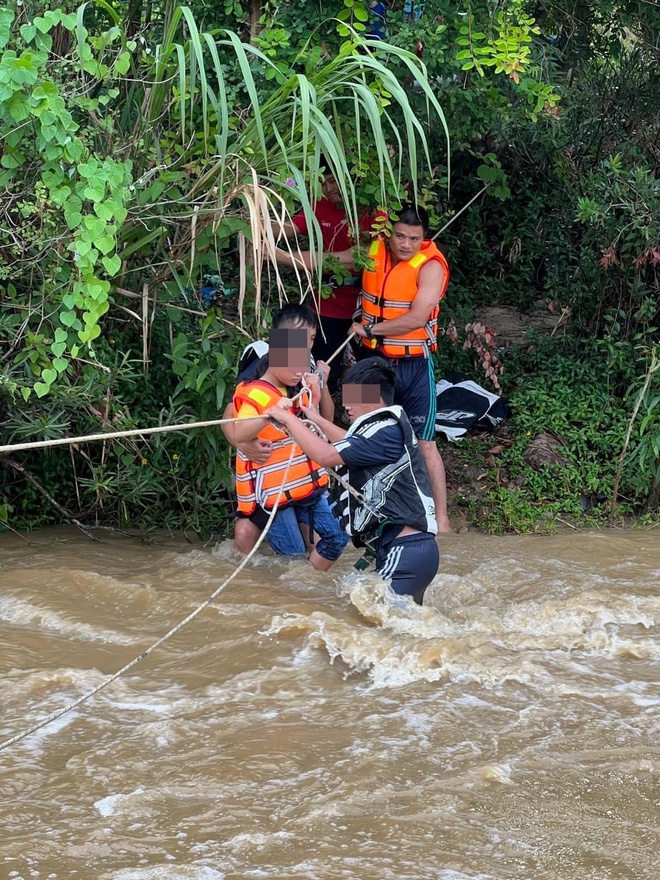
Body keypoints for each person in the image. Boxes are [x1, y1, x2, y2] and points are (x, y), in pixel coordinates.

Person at [284, 203, 453, 532]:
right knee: (357, 431)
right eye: (400, 236)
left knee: (425, 443)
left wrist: (371, 330)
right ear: (389, 234)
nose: (405, 244)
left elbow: (418, 318)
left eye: (414, 238)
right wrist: (273, 255)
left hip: (414, 364)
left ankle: (441, 520)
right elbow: (324, 260)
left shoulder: (431, 266)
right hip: (369, 364)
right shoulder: (372, 251)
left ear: (424, 238)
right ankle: (360, 513)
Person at [268, 358, 439, 605]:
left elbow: (325, 455)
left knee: (378, 628)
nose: (346, 406)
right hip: (410, 551)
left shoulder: (386, 430)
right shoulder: (383, 430)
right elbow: (349, 441)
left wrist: (288, 419)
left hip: (406, 550)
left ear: (372, 397)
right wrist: (311, 415)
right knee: (396, 630)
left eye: (353, 397)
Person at [230, 323, 349, 570]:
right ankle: (299, 589)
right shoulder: (255, 394)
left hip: (307, 486)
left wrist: (316, 396)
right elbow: (239, 433)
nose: (299, 372)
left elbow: (319, 425)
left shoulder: (300, 388)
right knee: (293, 561)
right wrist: (267, 416)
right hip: (273, 495)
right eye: (293, 366)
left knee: (338, 536)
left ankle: (312, 581)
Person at [273, 158, 379, 393]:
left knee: (363, 374)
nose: (329, 189)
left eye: (333, 182)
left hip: (363, 307)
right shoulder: (319, 204)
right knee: (320, 369)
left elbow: (349, 257)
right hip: (325, 306)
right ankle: (318, 421)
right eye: (323, 183)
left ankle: (357, 422)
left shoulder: (373, 211)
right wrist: (250, 221)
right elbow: (287, 226)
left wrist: (276, 255)